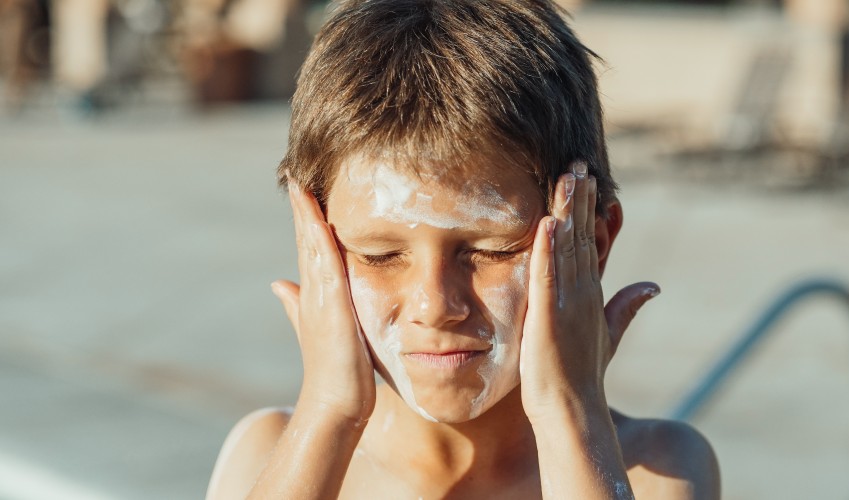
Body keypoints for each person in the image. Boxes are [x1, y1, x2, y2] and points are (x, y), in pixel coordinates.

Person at [206, 0, 720, 498]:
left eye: (492, 250)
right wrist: (330, 411)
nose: (435, 305)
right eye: (380, 256)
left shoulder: (658, 468)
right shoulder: (270, 456)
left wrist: (568, 410)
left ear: (593, 242)